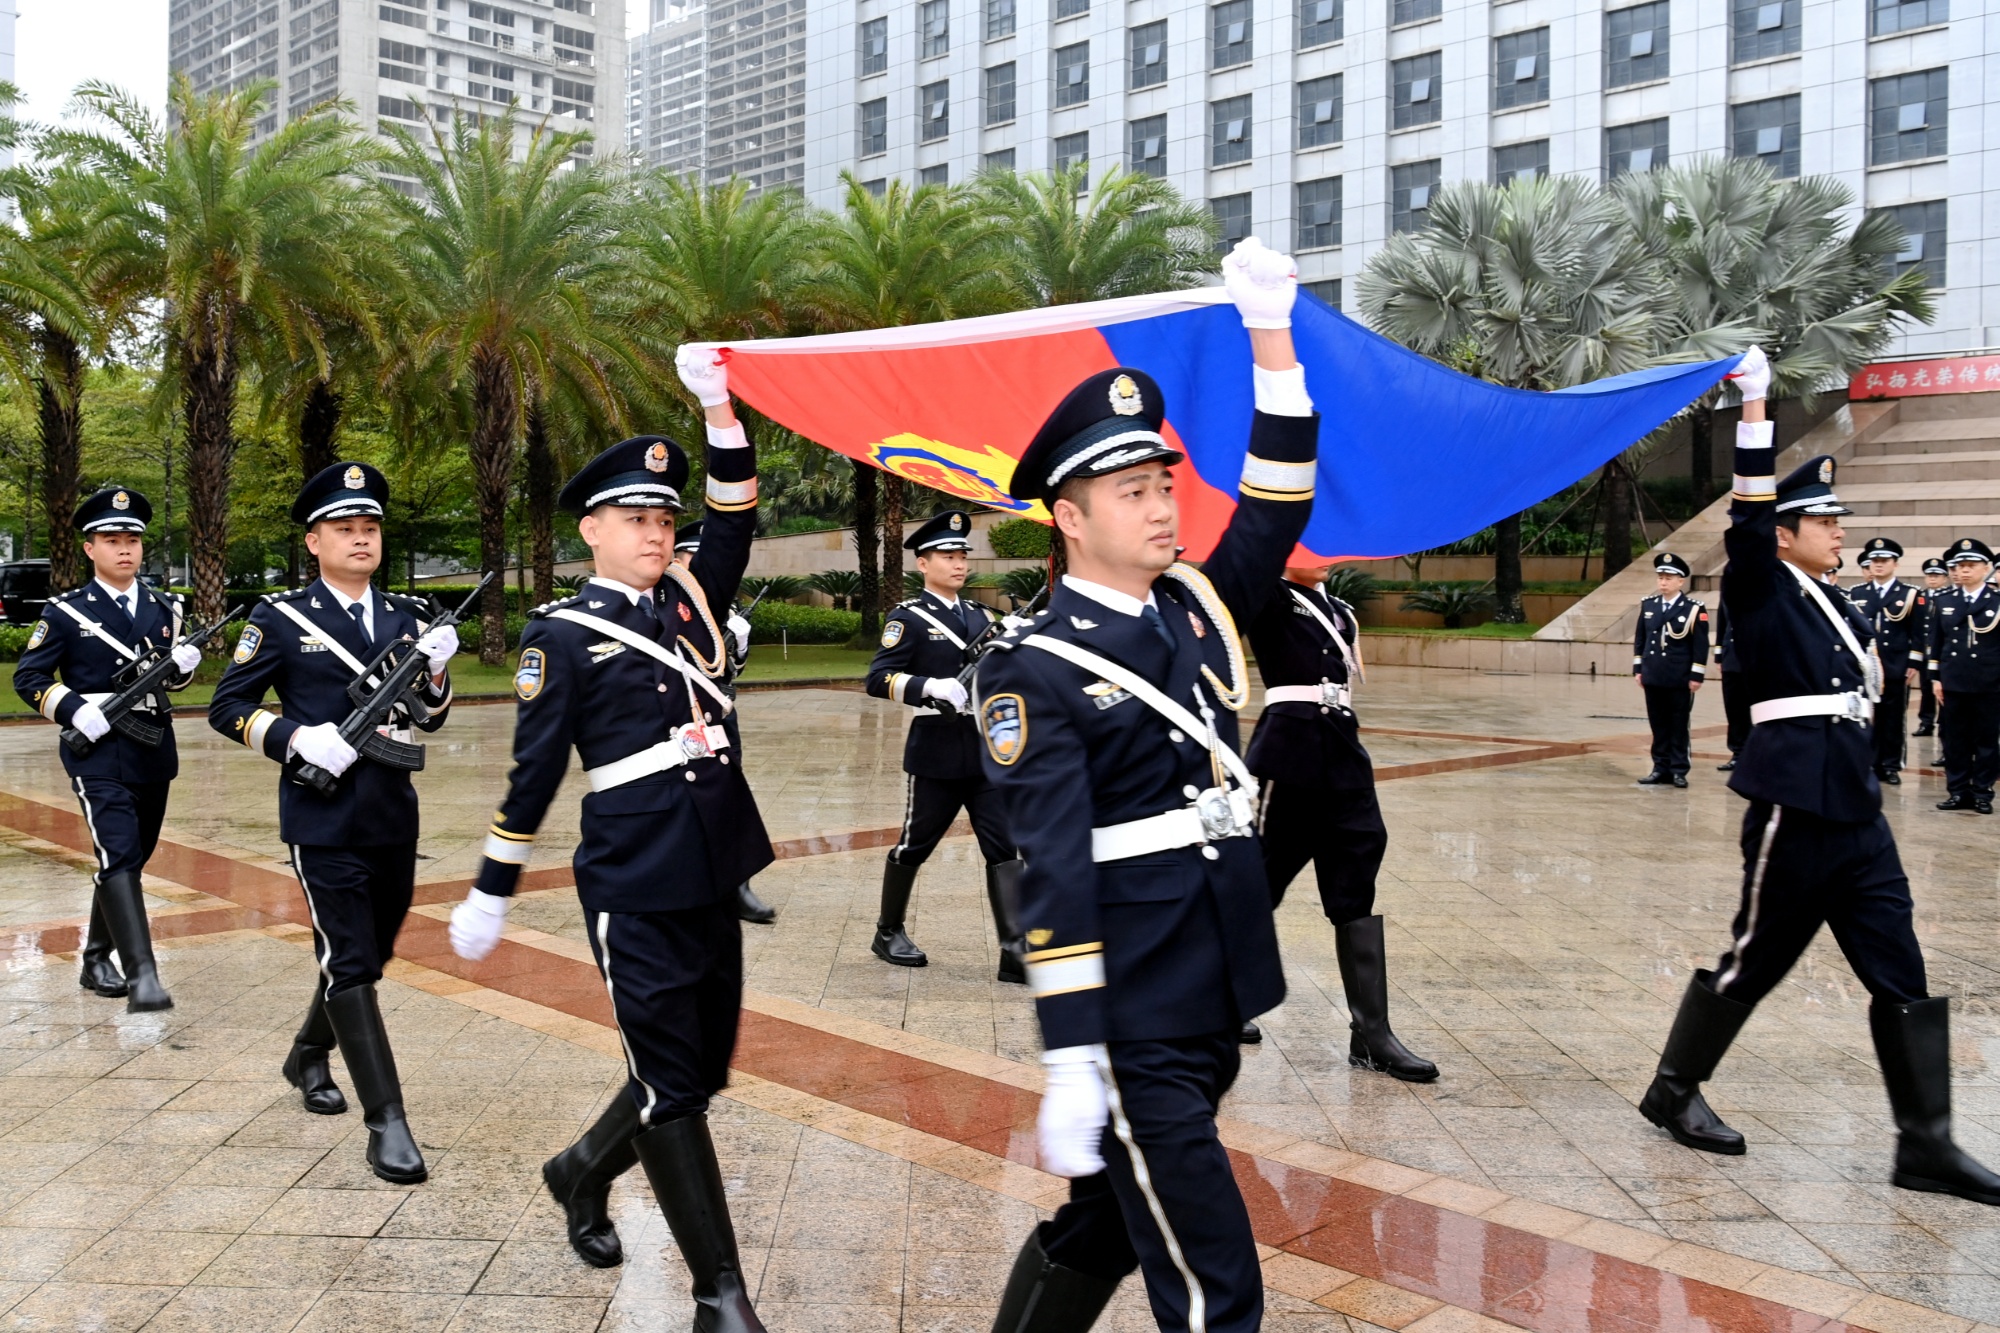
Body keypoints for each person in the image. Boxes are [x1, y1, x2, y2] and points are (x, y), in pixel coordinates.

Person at [976, 237, 1316, 1332]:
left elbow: (1276, 499)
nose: (1163, 507)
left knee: (1108, 1223)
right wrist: (1072, 1050)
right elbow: (1053, 869)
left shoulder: (1198, 611)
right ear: (1069, 518)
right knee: (1216, 1287)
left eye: (1163, 481)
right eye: (1132, 491)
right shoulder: (1031, 667)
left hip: (1208, 980)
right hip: (1127, 1011)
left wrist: (1273, 339)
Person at [445, 352, 773, 1331]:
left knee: (698, 1070)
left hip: (713, 865)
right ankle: (721, 1296)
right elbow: (533, 774)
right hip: (632, 878)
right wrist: (492, 886)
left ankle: (578, 1168)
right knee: (674, 1082)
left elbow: (737, 512)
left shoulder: (692, 601)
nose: (657, 531)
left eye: (664, 518)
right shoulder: (564, 635)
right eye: (637, 518)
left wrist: (719, 407)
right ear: (592, 529)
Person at [1637, 349, 2000, 1207]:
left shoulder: (1835, 600)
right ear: (1783, 533)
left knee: (1901, 968)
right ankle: (1673, 1089)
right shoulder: (1761, 586)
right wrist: (1756, 405)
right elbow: (1749, 509)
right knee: (1752, 961)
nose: (1840, 530)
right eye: (1824, 520)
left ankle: (1927, 1143)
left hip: (1855, 811)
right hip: (1794, 804)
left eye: (1839, 519)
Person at [209, 463, 459, 1184]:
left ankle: (307, 1052)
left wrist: (436, 676)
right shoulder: (280, 618)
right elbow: (229, 706)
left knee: (368, 955)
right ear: (315, 540)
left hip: (392, 813)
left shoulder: (409, 615)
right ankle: (388, 1121)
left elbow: (431, 720)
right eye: (345, 528)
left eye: (370, 527)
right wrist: (293, 737)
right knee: (350, 961)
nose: (361, 538)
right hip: (319, 817)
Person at [1241, 561, 1435, 1079]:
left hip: (1343, 753)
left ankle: (1371, 1034)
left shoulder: (1341, 610)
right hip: (1288, 751)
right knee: (1261, 878)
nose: (1327, 551)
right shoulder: (1268, 596)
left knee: (1357, 871)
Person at [14, 487, 201, 1012]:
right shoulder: (68, 611)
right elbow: (29, 678)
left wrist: (182, 669)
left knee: (132, 858)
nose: (125, 549)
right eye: (112, 540)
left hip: (151, 749)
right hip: (96, 751)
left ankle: (96, 955)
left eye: (132, 541)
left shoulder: (166, 608)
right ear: (90, 549)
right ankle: (143, 974)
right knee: (117, 852)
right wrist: (74, 708)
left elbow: (168, 683)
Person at [864, 510, 1024, 981]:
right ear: (922, 563)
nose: (958, 564)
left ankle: (1014, 950)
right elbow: (877, 679)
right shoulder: (907, 619)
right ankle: (887, 929)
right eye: (947, 556)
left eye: (961, 556)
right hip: (935, 751)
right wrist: (928, 687)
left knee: (1005, 848)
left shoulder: (983, 617)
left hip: (984, 752)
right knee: (915, 844)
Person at [675, 519, 776, 925]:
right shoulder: (663, 604)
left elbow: (729, 671)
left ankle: (738, 886)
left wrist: (743, 642)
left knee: (729, 795)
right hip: (677, 720)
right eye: (693, 557)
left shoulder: (721, 607)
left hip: (720, 715)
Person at [1929, 537, 2000, 815]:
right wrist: (1935, 678)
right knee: (1955, 740)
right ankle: (1958, 791)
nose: (1965, 570)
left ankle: (1982, 792)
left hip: (1989, 682)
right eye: (1960, 565)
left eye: (1971, 565)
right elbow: (1936, 643)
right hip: (1953, 681)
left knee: (1986, 741)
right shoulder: (1945, 600)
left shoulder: (1996, 601)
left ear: (1986, 569)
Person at [1847, 537, 1925, 786]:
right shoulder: (1858, 593)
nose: (1878, 565)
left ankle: (1891, 765)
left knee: (1893, 719)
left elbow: (1918, 633)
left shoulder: (1909, 594)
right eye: (1874, 561)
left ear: (1895, 564)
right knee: (1867, 717)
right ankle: (1869, 761)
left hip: (1895, 666)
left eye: (1884, 561)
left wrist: (1913, 663)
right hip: (1866, 668)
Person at [1632, 553, 1709, 787]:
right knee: (1658, 724)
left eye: (1668, 578)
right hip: (1654, 673)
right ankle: (1660, 767)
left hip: (1679, 676)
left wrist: (1697, 675)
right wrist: (1639, 668)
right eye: (1660, 577)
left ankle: (1678, 770)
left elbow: (1700, 644)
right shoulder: (1649, 605)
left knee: (1678, 724)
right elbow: (1641, 639)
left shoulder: (1694, 609)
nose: (1663, 582)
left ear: (1680, 581)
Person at [1914, 557, 1949, 737]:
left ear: (1945, 578)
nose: (1932, 579)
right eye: (1929, 575)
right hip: (1925, 652)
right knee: (1926, 689)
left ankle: (1942, 722)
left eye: (1937, 575)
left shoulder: (1948, 597)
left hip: (1942, 653)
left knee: (1943, 691)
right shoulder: (1919, 597)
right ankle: (1926, 722)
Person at [1713, 602, 1749, 772]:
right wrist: (1719, 655)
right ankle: (1738, 753)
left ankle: (1754, 753)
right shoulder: (1730, 591)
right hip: (1731, 656)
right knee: (1734, 708)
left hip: (1754, 659)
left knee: (1755, 709)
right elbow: (1722, 624)